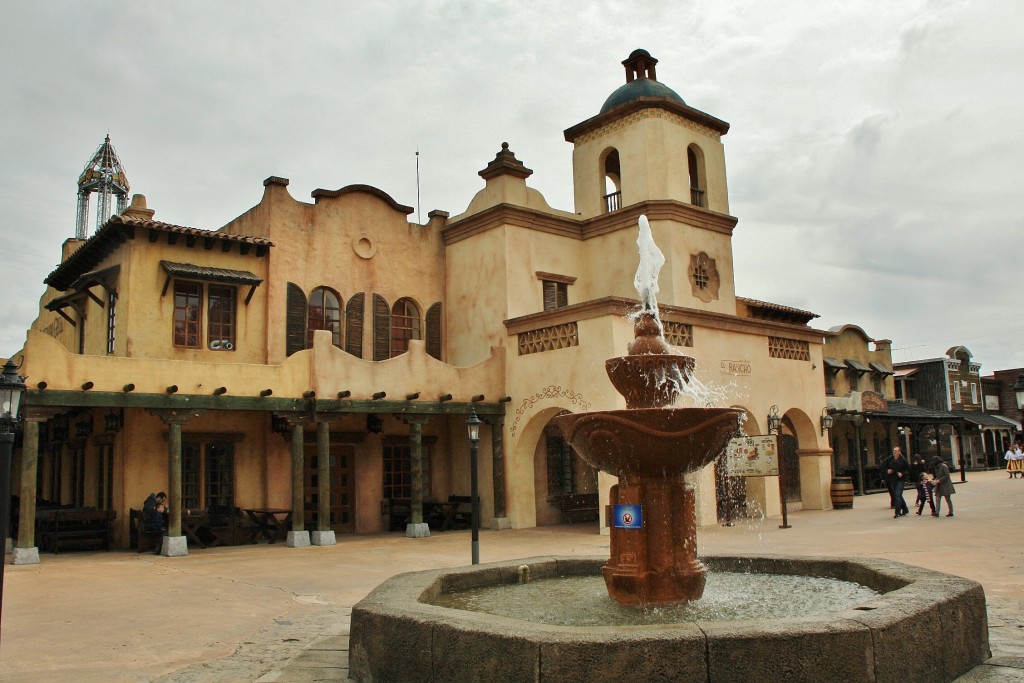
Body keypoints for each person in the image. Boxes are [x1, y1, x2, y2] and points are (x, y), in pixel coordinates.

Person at [882, 447, 909, 518]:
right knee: (897, 495)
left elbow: (908, 470)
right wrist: (887, 471)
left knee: (897, 495)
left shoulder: (903, 460)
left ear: (899, 452)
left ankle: (897, 512)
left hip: (900, 480)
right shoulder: (889, 459)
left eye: (896, 451)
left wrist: (902, 473)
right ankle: (905, 509)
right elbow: (883, 467)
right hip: (892, 479)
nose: (894, 452)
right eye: (894, 451)